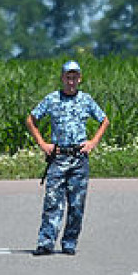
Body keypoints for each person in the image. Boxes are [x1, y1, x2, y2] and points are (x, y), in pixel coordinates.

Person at [26, 60, 109, 256]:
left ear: (79, 79)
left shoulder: (86, 100)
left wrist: (92, 143)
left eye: (74, 77)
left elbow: (104, 120)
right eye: (67, 77)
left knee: (76, 204)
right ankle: (46, 242)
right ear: (62, 78)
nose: (71, 81)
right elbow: (31, 120)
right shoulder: (52, 99)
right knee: (52, 201)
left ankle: (69, 242)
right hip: (58, 157)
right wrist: (43, 144)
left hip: (79, 158)